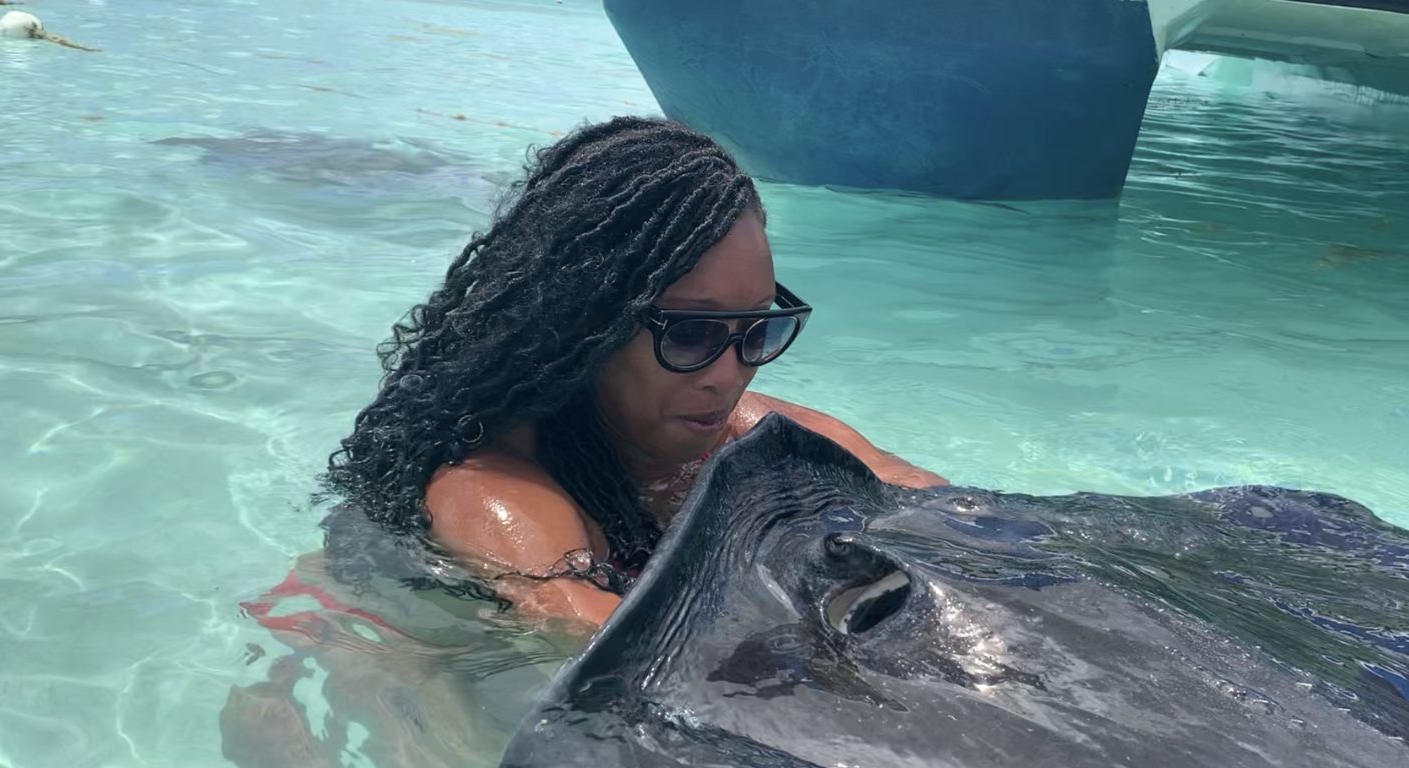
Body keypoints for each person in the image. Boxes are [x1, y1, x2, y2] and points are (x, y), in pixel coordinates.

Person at [322, 115, 946, 632]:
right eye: (693, 333)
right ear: (587, 327)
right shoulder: (493, 490)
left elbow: (938, 508)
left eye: (758, 330)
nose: (731, 375)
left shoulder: (743, 434)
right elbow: (588, 625)